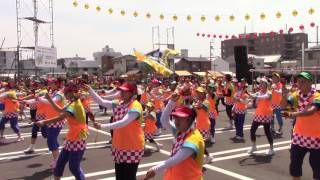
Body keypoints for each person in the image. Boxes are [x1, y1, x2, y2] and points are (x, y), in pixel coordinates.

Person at [87, 82, 144, 180]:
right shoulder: (119, 103)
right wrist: (89, 89)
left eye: (125, 91)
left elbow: (124, 122)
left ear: (132, 93)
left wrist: (102, 126)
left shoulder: (136, 105)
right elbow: (101, 101)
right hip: (119, 145)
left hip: (132, 146)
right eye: (121, 90)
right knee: (119, 176)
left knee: (129, 177)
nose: (122, 93)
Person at [144, 94, 204, 180]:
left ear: (189, 120)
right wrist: (171, 102)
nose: (176, 121)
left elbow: (177, 158)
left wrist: (155, 170)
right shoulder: (180, 131)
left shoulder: (194, 137)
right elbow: (164, 120)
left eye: (180, 118)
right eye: (175, 118)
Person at [34, 83, 88, 180]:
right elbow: (60, 110)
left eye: (66, 93)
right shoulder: (72, 102)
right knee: (59, 163)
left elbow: (61, 117)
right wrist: (50, 99)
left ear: (72, 93)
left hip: (78, 139)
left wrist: (44, 122)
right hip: (71, 138)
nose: (65, 95)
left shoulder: (75, 104)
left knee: (74, 166)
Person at [280, 72, 320, 180]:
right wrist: (284, 96)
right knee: (295, 167)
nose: (300, 83)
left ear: (311, 82)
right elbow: (284, 107)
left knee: (317, 169)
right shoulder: (296, 95)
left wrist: (293, 114)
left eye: (303, 81)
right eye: (299, 81)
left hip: (316, 138)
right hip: (298, 137)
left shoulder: (317, 95)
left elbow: (311, 111)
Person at [247, 78, 274, 155]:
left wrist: (256, 96)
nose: (261, 84)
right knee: (252, 130)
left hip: (266, 114)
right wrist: (247, 92)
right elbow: (253, 96)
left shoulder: (269, 93)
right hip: (258, 114)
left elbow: (265, 97)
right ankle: (254, 146)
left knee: (267, 132)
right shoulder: (259, 93)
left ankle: (271, 149)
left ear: (266, 84)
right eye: (260, 83)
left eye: (263, 83)